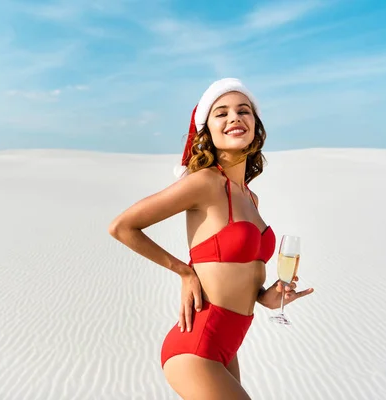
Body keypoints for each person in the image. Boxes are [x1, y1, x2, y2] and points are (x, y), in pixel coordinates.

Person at [108, 78, 314, 399]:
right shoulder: (204, 182)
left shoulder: (250, 197)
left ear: (255, 126)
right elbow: (122, 226)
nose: (234, 117)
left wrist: (266, 296)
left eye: (243, 111)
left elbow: (233, 270)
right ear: (208, 131)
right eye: (221, 113)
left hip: (227, 348)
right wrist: (184, 271)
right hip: (196, 347)